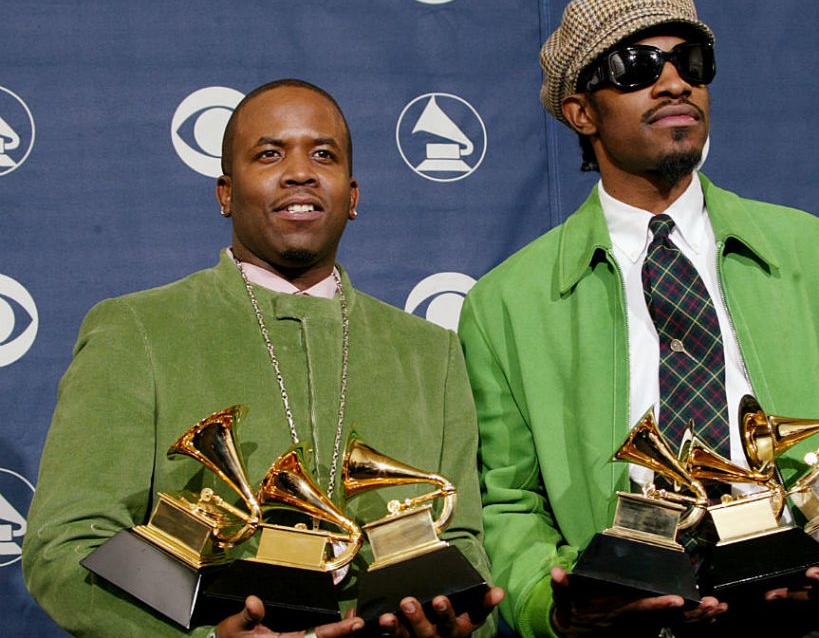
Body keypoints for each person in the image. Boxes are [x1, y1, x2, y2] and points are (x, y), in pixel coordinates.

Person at [458, 0, 819, 638]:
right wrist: (556, 607)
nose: (674, 82)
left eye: (692, 62)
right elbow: (509, 503)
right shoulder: (505, 304)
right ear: (581, 113)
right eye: (636, 67)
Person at [23, 79, 502, 638]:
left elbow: (461, 542)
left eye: (323, 155)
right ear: (225, 193)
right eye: (270, 154)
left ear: (352, 196)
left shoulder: (429, 352)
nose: (300, 172)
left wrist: (455, 623)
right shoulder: (137, 330)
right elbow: (68, 543)